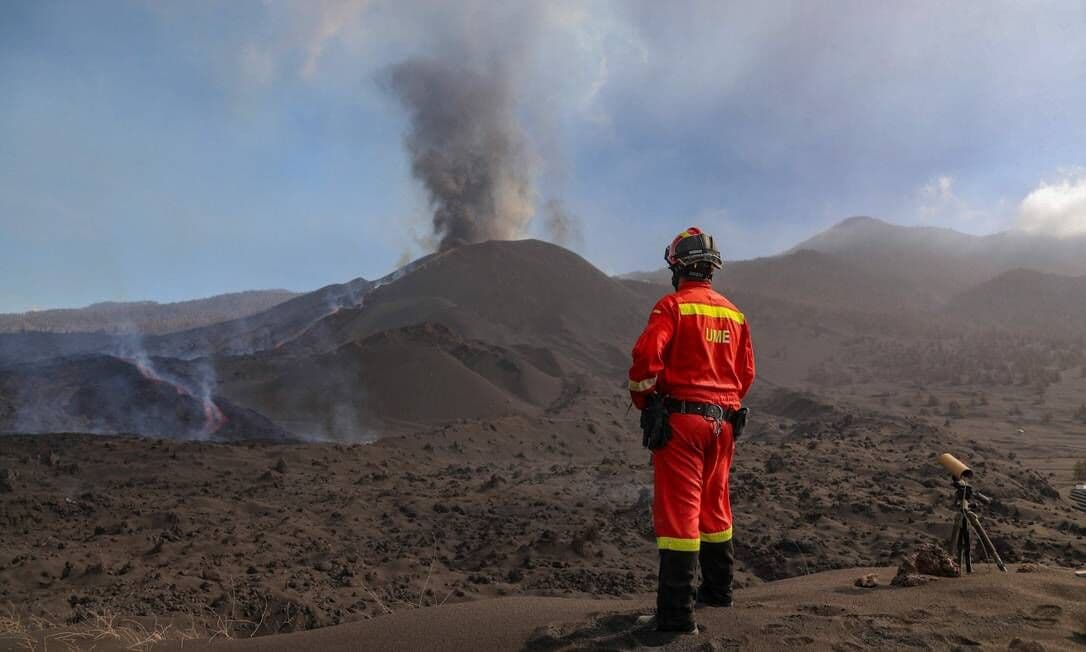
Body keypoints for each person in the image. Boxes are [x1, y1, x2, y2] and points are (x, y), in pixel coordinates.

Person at [628, 227, 756, 634]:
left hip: (682, 423)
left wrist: (648, 404)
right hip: (724, 424)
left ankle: (676, 618)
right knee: (715, 506)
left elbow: (645, 361)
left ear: (677, 267)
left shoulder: (672, 308)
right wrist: (723, 403)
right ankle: (719, 592)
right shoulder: (735, 314)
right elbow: (745, 373)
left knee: (679, 513)